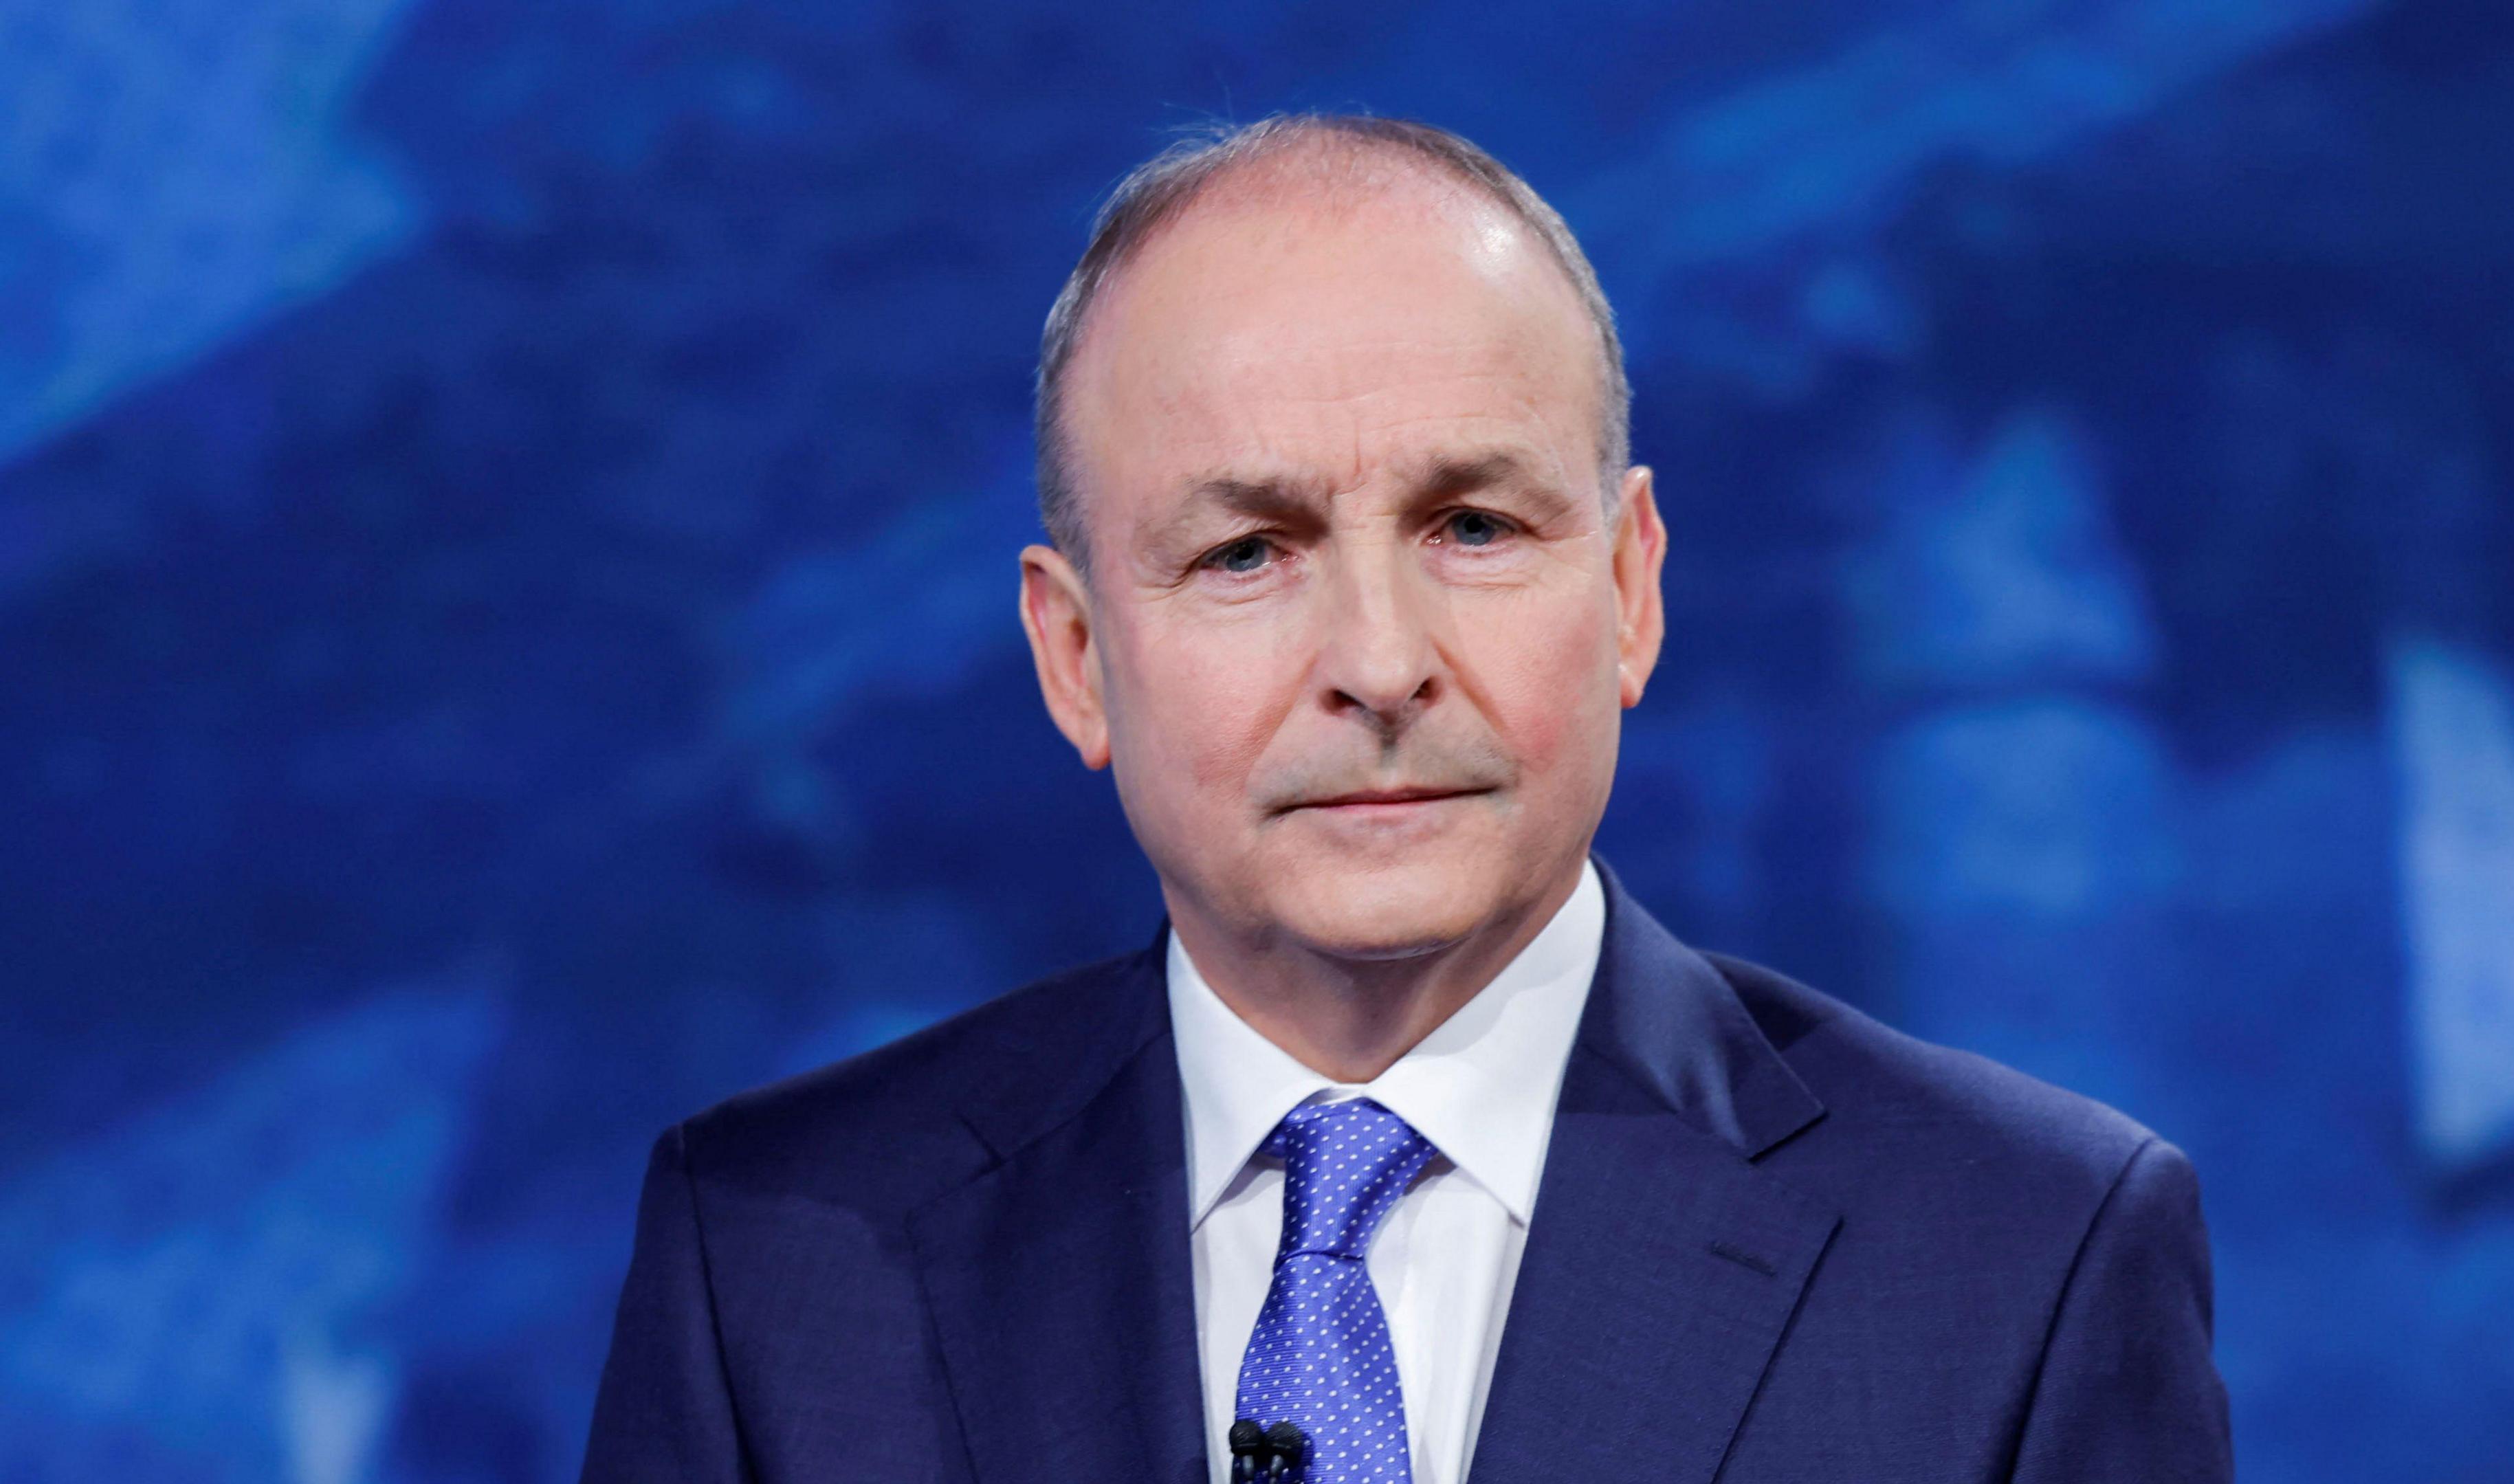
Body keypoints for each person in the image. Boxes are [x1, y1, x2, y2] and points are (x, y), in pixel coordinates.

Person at [581, 113, 2231, 1484]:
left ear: (1633, 588)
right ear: (1076, 658)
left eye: (1474, 529)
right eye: (1245, 555)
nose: (1380, 662)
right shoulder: (776, 1263)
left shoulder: (2027, 1260)